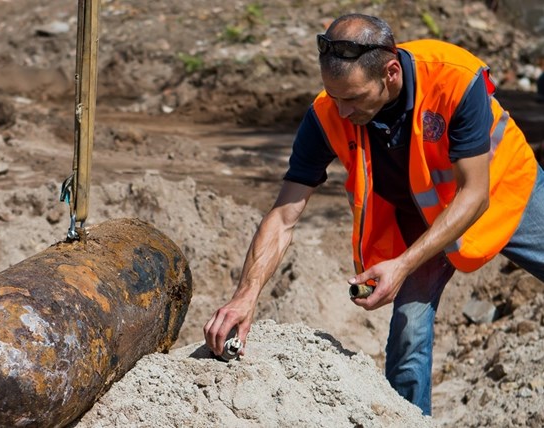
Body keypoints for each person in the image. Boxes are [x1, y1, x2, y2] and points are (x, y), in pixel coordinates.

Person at [204, 13, 544, 416]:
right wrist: (244, 297)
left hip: (504, 190)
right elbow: (284, 216)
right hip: (425, 217)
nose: (342, 111)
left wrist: (401, 266)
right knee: (408, 337)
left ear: (391, 73)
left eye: (353, 98)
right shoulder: (327, 113)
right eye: (334, 97)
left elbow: (474, 195)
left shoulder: (455, 78)